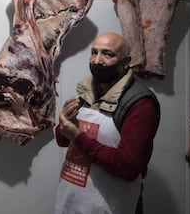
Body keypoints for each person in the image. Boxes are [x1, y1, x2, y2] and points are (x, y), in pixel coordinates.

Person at [53, 32, 160, 214]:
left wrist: (78, 136)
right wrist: (65, 125)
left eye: (108, 54)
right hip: (70, 202)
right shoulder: (88, 93)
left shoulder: (140, 103)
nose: (97, 60)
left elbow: (128, 167)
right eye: (94, 52)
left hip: (110, 206)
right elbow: (63, 141)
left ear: (126, 62)